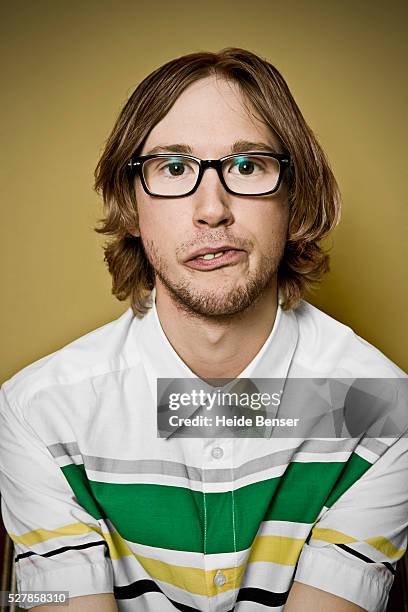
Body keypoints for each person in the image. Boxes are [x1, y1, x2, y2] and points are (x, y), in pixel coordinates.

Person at [0, 47, 407, 612]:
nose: (211, 209)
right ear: (131, 202)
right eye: (173, 168)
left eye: (247, 166)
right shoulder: (34, 414)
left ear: (294, 195)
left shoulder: (386, 412)